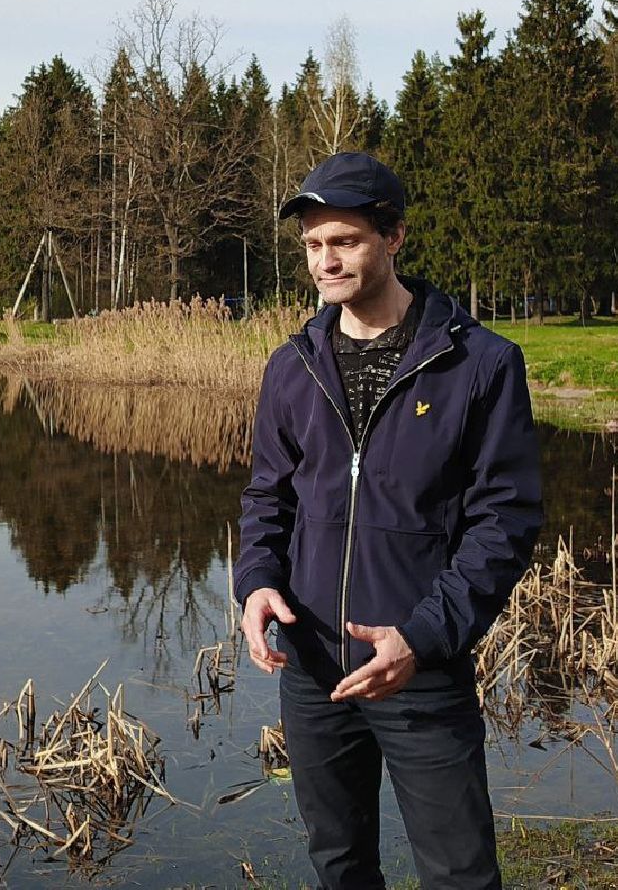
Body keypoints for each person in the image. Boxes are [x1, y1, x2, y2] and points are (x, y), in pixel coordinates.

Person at [234, 151, 543, 889]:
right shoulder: (292, 365)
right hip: (311, 670)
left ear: (394, 237)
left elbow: (505, 524)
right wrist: (256, 585)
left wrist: (423, 636)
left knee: (459, 873)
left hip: (419, 668)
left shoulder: (481, 365)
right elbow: (266, 498)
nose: (324, 261)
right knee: (338, 865)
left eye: (344, 241)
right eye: (312, 244)